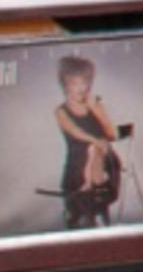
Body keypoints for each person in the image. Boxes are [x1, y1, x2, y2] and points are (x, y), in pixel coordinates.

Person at [50, 51, 135, 231]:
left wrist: (96, 109)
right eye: (75, 83)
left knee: (96, 151)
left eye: (84, 82)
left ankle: (95, 200)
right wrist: (95, 140)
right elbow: (75, 132)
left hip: (104, 163)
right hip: (76, 168)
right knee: (90, 148)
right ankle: (81, 212)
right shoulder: (60, 111)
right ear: (65, 84)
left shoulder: (95, 104)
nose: (81, 88)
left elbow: (112, 135)